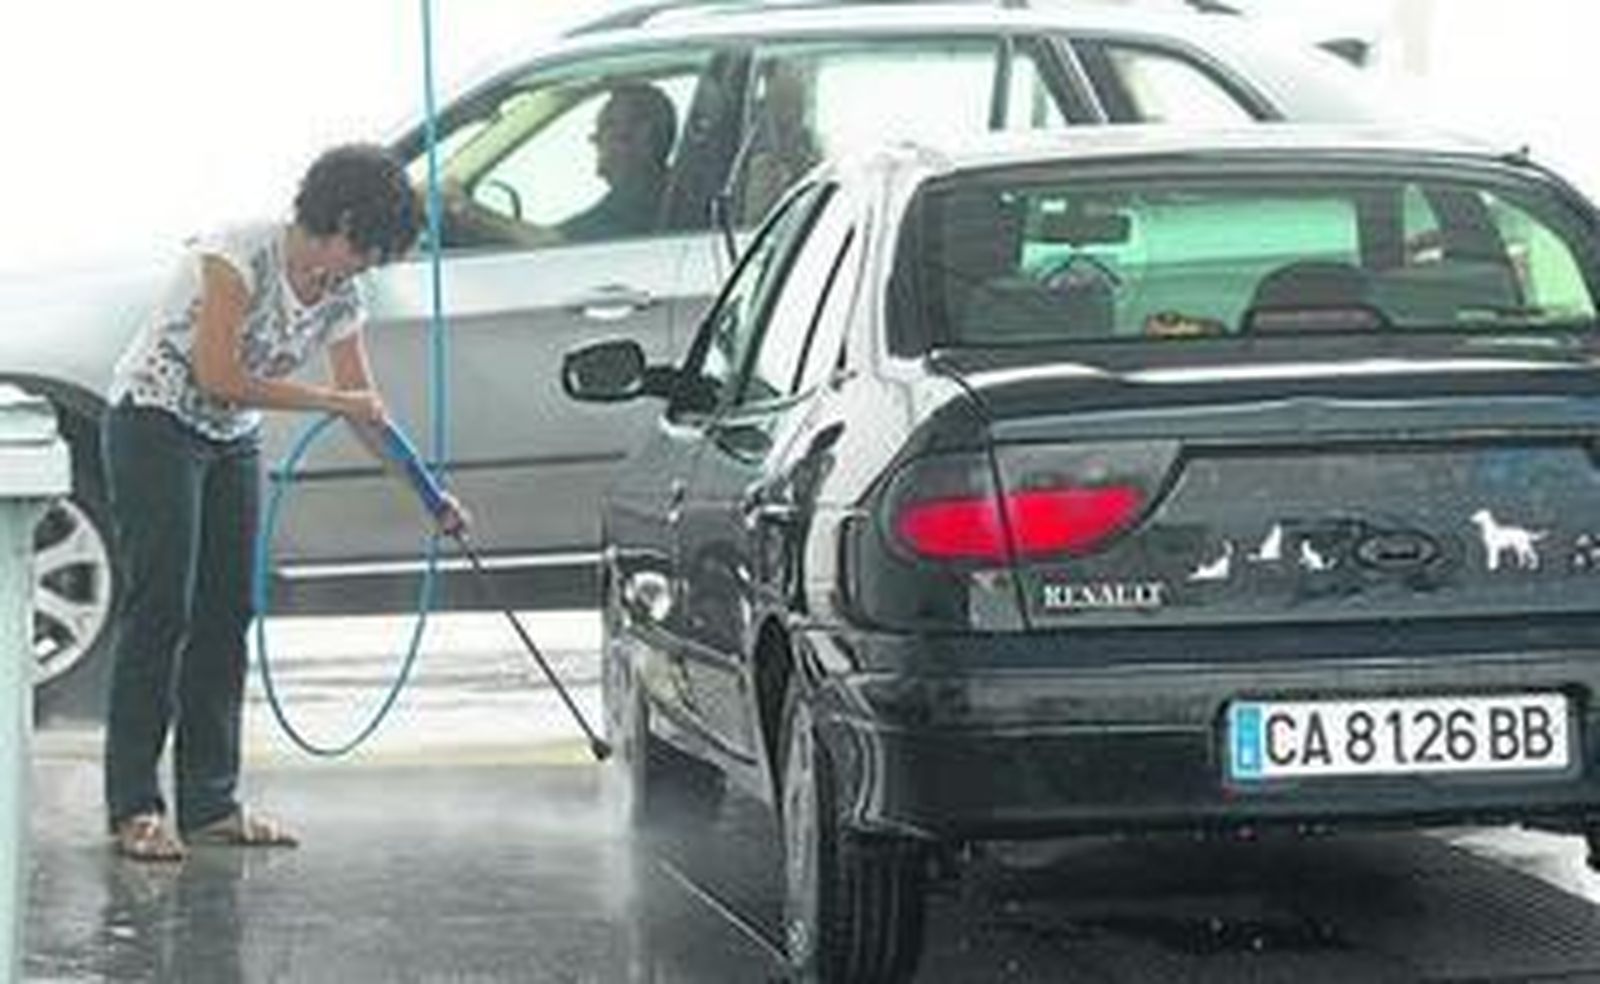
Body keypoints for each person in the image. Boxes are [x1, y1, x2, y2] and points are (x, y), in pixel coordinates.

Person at [101, 144, 468, 862]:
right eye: (367, 249)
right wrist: (328, 400)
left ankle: (210, 803)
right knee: (161, 609)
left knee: (227, 610)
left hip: (228, 438)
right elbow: (218, 374)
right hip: (153, 422)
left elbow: (365, 408)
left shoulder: (339, 294)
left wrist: (428, 495)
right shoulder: (235, 254)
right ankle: (135, 809)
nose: (364, 267)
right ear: (343, 221)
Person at [442, 81, 677, 247]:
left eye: (607, 126)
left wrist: (466, 210)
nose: (593, 138)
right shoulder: (652, 192)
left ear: (642, 136)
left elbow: (553, 244)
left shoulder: (643, 199)